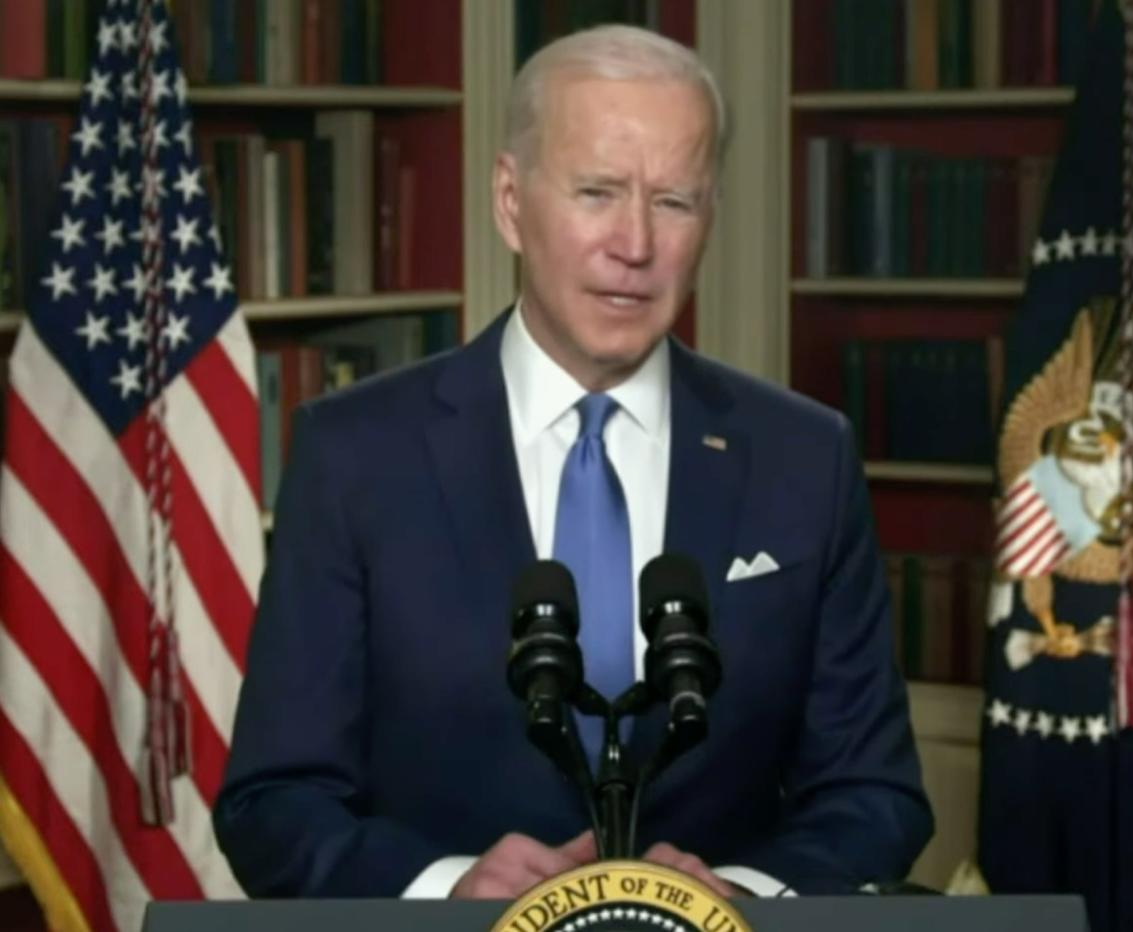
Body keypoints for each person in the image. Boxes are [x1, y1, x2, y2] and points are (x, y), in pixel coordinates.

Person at [213, 24, 932, 901]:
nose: (635, 244)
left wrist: (738, 896)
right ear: (511, 202)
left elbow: (875, 795)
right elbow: (272, 803)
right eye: (597, 192)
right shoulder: (354, 455)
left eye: (674, 201)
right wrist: (447, 890)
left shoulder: (803, 457)